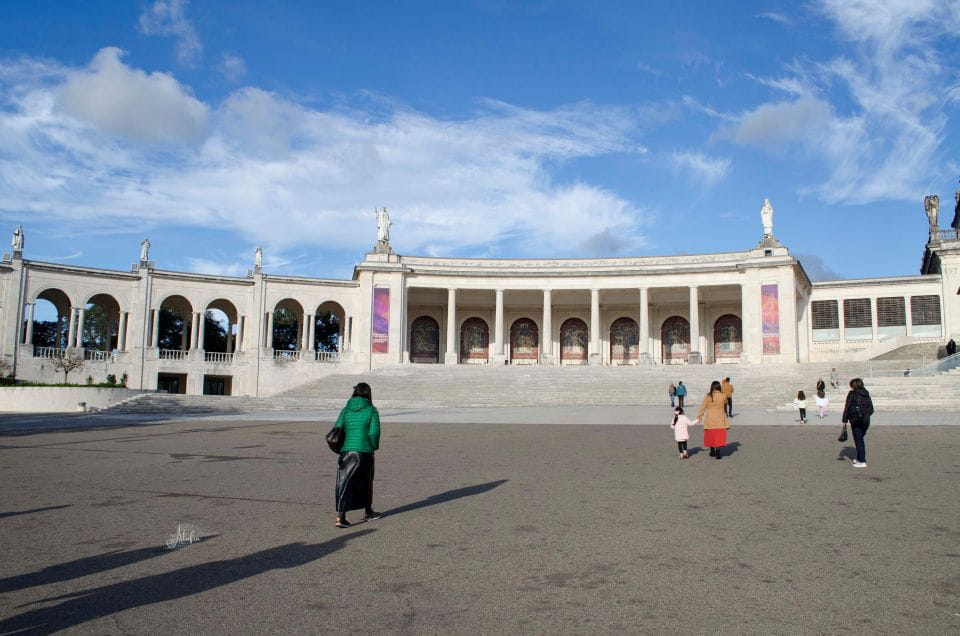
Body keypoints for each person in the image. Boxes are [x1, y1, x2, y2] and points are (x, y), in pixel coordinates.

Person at [333, 382, 382, 528]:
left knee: (344, 483)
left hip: (346, 451)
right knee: (365, 482)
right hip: (364, 451)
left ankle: (340, 517)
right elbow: (374, 432)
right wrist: (374, 446)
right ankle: (368, 512)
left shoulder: (346, 409)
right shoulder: (371, 410)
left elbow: (337, 428)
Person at [842, 378, 874, 468]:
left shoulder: (852, 393)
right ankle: (859, 458)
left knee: (859, 440)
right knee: (860, 439)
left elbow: (847, 407)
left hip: (856, 420)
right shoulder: (866, 393)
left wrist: (844, 420)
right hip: (866, 420)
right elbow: (871, 409)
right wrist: (866, 414)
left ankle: (862, 461)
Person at [697, 380, 730, 459]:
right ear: (719, 387)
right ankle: (718, 453)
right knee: (719, 436)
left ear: (712, 387)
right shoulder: (723, 396)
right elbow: (726, 403)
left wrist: (699, 416)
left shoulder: (708, 395)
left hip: (710, 418)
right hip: (720, 418)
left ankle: (712, 451)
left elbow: (703, 407)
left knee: (711, 435)